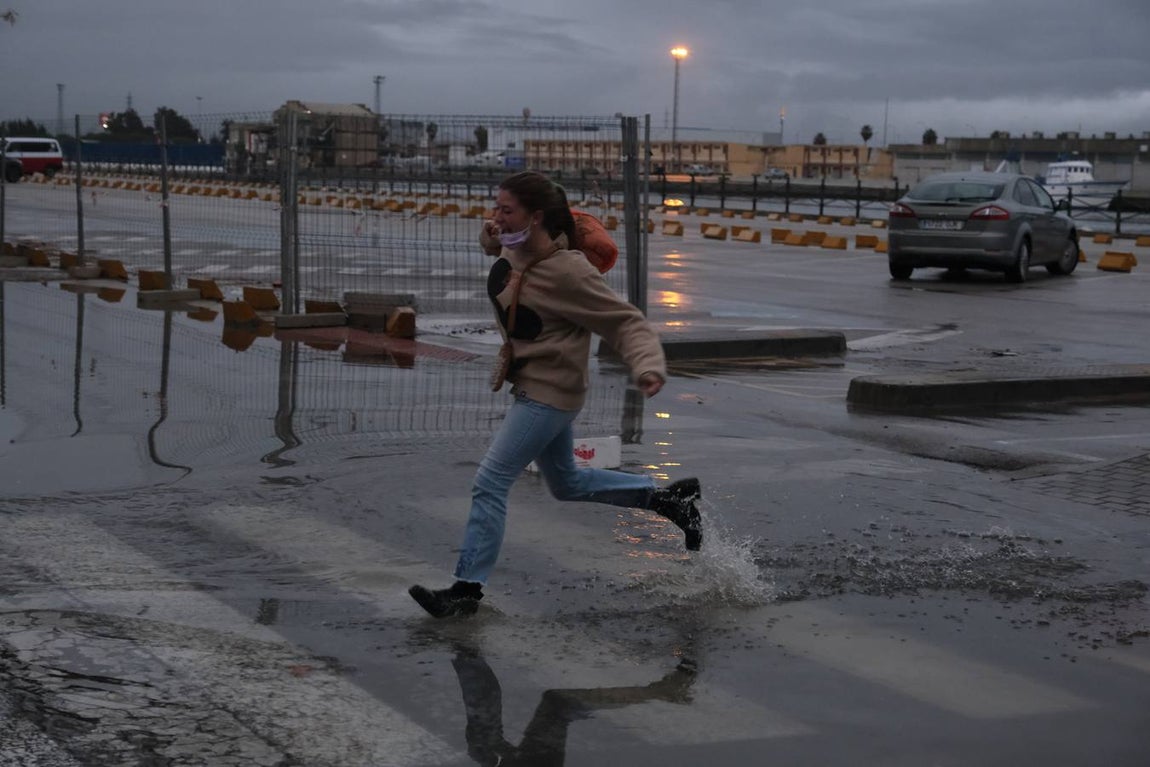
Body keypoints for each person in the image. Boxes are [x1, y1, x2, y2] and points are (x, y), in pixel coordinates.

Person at [409, 170, 703, 618]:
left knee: (490, 481)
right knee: (566, 484)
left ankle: (466, 590)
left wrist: (647, 366)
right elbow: (497, 248)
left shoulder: (569, 272)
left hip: (549, 394)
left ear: (536, 217)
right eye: (496, 208)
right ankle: (667, 501)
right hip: (533, 384)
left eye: (507, 210)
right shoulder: (518, 245)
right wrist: (490, 234)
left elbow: (624, 321)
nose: (497, 217)